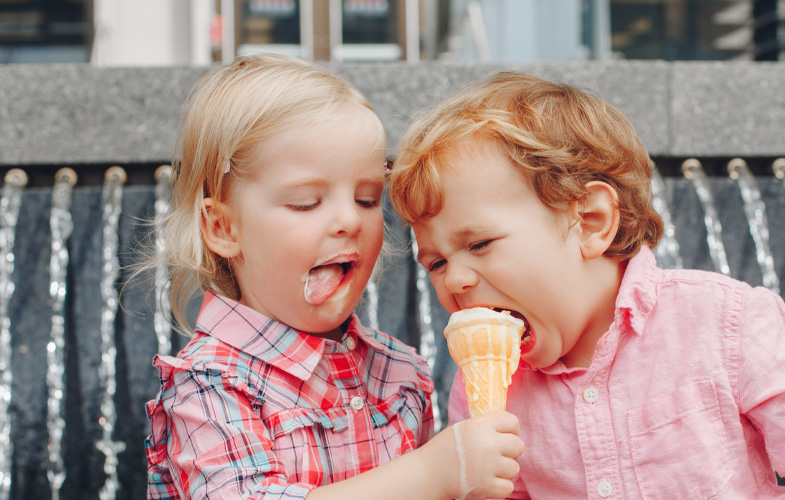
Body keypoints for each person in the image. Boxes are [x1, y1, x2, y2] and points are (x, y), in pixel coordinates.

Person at [387, 71, 785, 499]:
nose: (455, 280)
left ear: (589, 223)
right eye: (434, 262)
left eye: (479, 244)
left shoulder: (719, 321)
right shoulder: (485, 392)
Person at [142, 54, 522, 500]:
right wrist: (431, 473)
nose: (350, 221)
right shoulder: (209, 385)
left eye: (366, 199)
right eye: (306, 203)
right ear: (224, 228)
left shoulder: (400, 373)